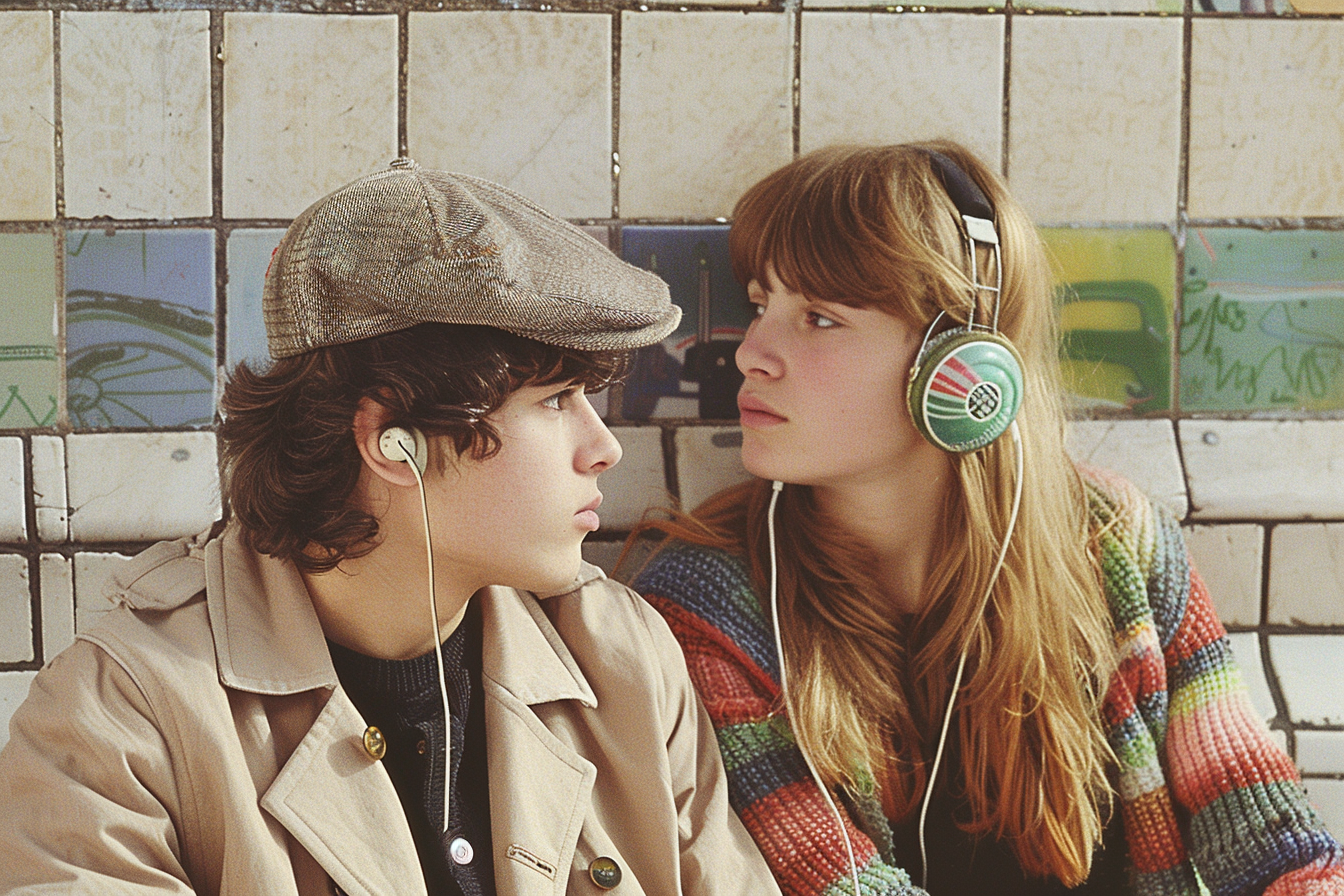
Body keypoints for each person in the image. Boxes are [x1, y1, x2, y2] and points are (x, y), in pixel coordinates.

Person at [0, 160, 780, 896]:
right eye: (555, 400)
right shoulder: (121, 714)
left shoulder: (621, 658)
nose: (604, 448)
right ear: (393, 441)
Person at [626, 143, 1344, 896]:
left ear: (960, 362)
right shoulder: (711, 603)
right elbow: (830, 883)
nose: (752, 354)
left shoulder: (1116, 544)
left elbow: (1263, 829)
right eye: (758, 304)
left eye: (818, 318)